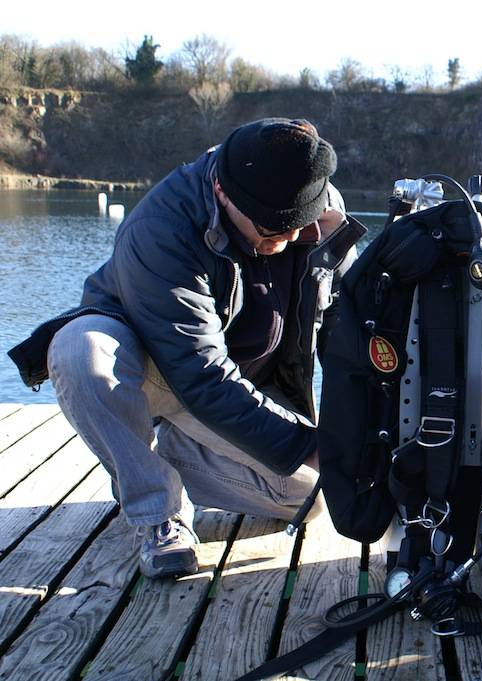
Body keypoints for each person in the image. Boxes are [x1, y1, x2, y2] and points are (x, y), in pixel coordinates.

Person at [8, 118, 365, 579]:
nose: (291, 239)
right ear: (223, 194)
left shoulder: (313, 200)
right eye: (274, 229)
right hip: (156, 372)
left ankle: (165, 451)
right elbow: (200, 374)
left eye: (301, 225)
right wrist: (314, 445)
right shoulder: (163, 229)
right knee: (80, 352)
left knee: (309, 495)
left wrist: (358, 430)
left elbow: (347, 328)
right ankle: (157, 512)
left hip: (240, 386)